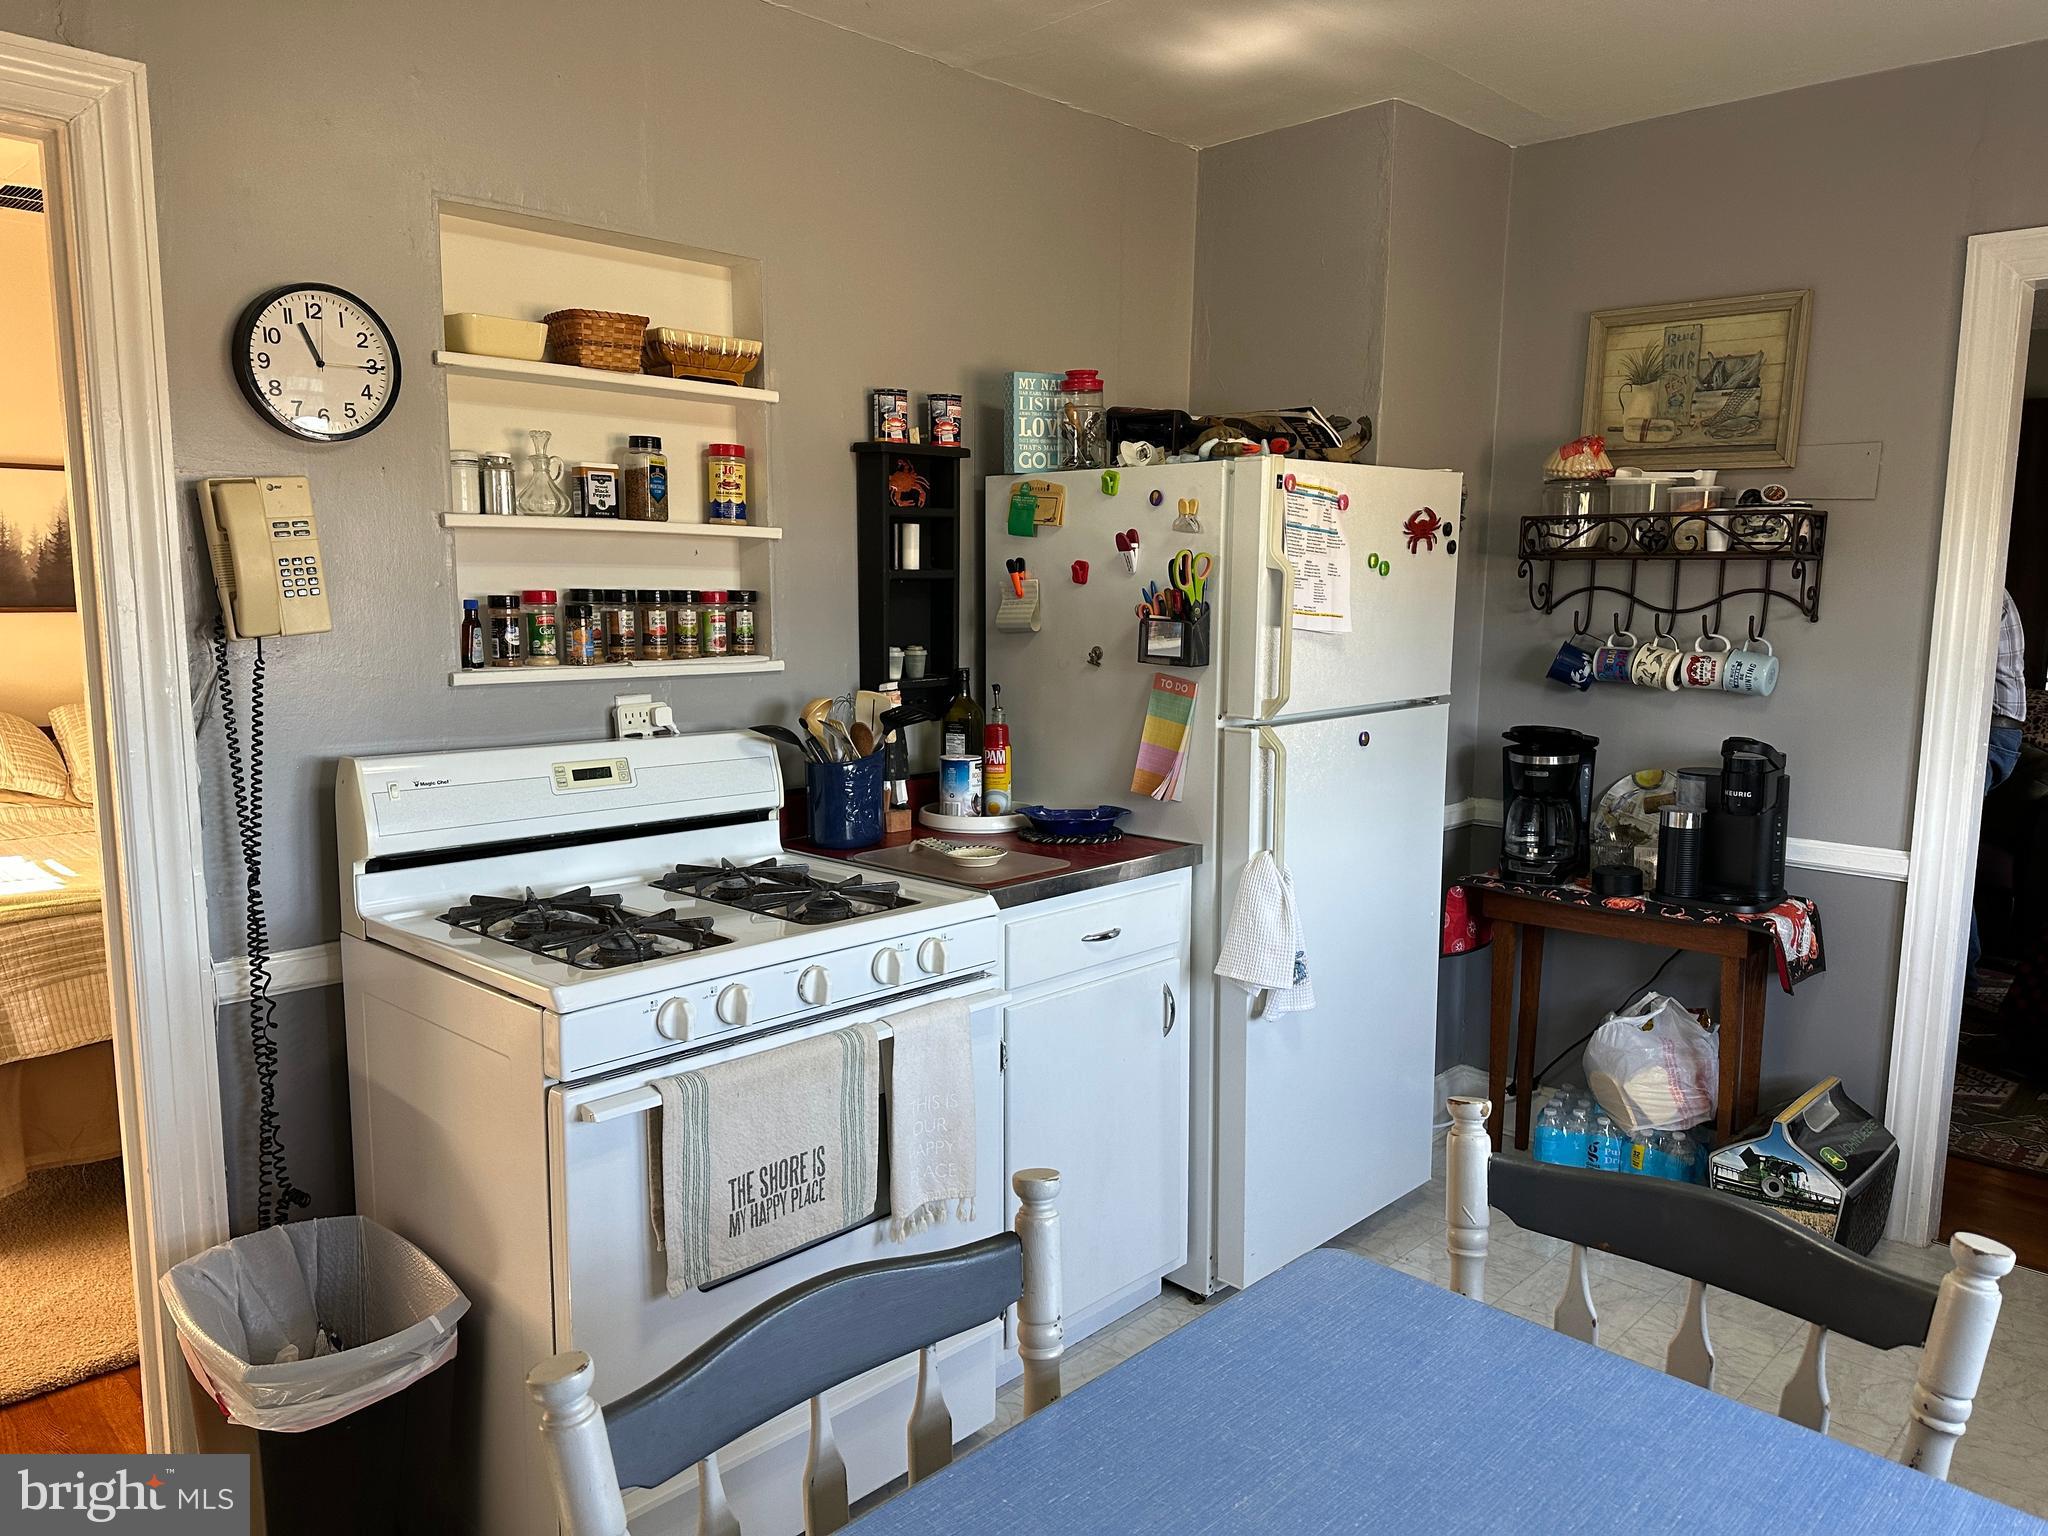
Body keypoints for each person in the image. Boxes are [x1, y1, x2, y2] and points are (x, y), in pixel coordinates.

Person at [1970, 589, 2028, 991]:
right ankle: (1965, 976)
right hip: (1996, 731)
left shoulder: (1982, 587)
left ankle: (1962, 977)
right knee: (1949, 851)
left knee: (1944, 854)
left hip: (1989, 733)